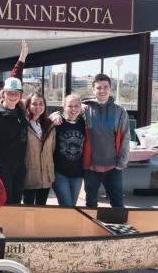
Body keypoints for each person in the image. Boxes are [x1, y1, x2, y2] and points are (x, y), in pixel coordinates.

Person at [50, 74, 130, 207]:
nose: (102, 90)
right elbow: (69, 111)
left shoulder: (119, 112)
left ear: (111, 89)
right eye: (99, 88)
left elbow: (125, 138)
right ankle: (91, 227)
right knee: (91, 203)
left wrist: (121, 163)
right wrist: (55, 114)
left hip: (113, 167)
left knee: (117, 203)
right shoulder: (85, 109)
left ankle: (119, 227)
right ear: (93, 90)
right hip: (91, 168)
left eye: (105, 87)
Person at [52, 94, 85, 206]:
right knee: (67, 206)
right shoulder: (58, 123)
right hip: (60, 174)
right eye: (70, 106)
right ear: (64, 106)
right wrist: (54, 115)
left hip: (77, 174)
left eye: (76, 106)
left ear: (80, 107)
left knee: (72, 208)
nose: (73, 109)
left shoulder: (84, 123)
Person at [23, 93, 56, 205]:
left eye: (41, 104)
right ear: (28, 105)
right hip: (30, 174)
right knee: (28, 209)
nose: (38, 107)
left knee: (42, 207)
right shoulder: (23, 124)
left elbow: (53, 149)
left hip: (46, 174)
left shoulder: (50, 124)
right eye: (34, 104)